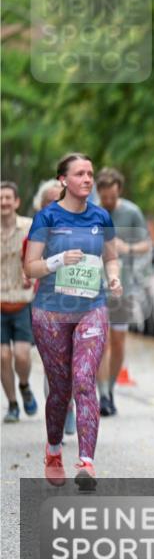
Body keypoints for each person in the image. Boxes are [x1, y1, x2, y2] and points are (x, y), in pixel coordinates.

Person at [24, 153, 123, 490]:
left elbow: (111, 258)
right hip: (50, 311)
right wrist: (57, 260)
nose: (87, 179)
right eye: (80, 173)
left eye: (90, 174)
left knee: (83, 379)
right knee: (61, 388)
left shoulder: (101, 216)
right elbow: (30, 267)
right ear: (63, 180)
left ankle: (86, 462)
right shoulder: (47, 217)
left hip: (91, 308)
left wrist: (113, 278)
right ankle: (54, 451)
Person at [95, 167, 152, 416]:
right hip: (95, 285)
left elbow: (146, 244)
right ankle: (104, 394)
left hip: (123, 287)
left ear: (119, 190)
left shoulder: (131, 212)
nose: (107, 202)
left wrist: (126, 247)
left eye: (112, 197)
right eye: (104, 197)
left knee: (118, 342)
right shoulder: (91, 212)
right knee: (103, 341)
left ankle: (111, 387)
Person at [34, 180, 77, 435]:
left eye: (56, 200)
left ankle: (69, 405)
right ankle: (59, 410)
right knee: (53, 364)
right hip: (46, 304)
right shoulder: (35, 231)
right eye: (47, 202)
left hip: (77, 302)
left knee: (74, 361)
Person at [1, 180, 38, 423]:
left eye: (7, 198)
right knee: (3, 356)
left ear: (16, 202)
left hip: (23, 302)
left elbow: (39, 256)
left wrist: (31, 274)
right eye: (0, 199)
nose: (3, 202)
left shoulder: (29, 227)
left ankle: (24, 386)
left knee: (22, 356)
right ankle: (12, 404)